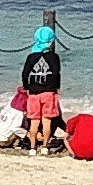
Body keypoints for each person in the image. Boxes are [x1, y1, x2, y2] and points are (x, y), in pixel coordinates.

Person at [19, 25, 63, 155]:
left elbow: (25, 74)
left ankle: (33, 147)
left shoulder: (31, 57)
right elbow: (56, 73)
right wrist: (57, 88)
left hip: (33, 94)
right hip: (49, 92)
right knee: (47, 120)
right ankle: (44, 146)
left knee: (34, 121)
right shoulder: (54, 57)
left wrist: (27, 87)